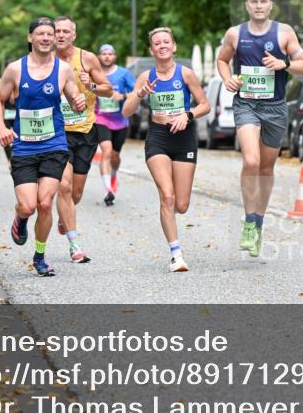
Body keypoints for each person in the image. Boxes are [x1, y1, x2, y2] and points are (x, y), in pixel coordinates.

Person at [216, 0, 303, 257]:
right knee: (252, 161)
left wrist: (285, 65)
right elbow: (222, 60)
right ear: (246, 5)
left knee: (266, 170)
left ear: (271, 4)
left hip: (276, 108)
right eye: (253, 1)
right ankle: (248, 221)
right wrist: (227, 79)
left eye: (263, 1)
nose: (258, 6)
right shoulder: (235, 34)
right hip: (246, 104)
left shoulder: (284, 33)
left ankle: (258, 222)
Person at [0, 17, 87, 277]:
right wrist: (1, 127)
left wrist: (79, 101)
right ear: (30, 38)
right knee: (28, 206)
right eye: (41, 33)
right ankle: (20, 219)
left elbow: (74, 97)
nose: (46, 37)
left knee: (45, 204)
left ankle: (39, 256)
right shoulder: (15, 69)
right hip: (24, 147)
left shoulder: (63, 69)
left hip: (54, 145)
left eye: (50, 33)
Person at [122, 27, 209, 272]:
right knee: (167, 196)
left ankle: (175, 245)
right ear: (151, 50)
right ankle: (176, 254)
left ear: (174, 46)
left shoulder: (186, 74)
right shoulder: (146, 77)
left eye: (166, 42)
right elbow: (126, 112)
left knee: (181, 204)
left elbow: (205, 105)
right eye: (157, 43)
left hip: (184, 140)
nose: (162, 46)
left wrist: (187, 115)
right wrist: (139, 95)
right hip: (158, 138)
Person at [53, 16, 112, 264]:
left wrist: (93, 86)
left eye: (66, 31)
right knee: (63, 187)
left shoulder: (87, 58)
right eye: (57, 31)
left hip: (86, 131)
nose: (61, 35)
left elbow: (107, 89)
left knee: (75, 193)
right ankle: (75, 246)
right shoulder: (46, 61)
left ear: (73, 35)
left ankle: (65, 215)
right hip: (57, 132)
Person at [94, 43, 136, 206]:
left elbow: (135, 94)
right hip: (100, 119)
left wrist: (123, 96)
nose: (106, 56)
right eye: (103, 53)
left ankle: (113, 174)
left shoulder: (124, 73)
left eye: (109, 54)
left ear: (114, 56)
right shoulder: (95, 75)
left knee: (115, 156)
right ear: (99, 56)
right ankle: (108, 190)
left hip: (120, 121)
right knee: (106, 151)